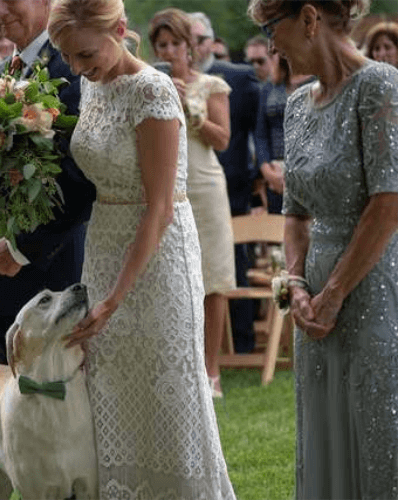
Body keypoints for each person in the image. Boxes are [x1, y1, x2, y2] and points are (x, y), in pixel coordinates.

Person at [49, 1, 236, 497]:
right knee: (109, 389)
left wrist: (114, 297)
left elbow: (159, 208)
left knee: (166, 394)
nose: (77, 68)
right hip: (103, 243)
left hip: (156, 255)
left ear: (120, 30)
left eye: (85, 53)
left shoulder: (151, 90)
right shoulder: (91, 84)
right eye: (68, 57)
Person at [248, 1, 398, 498]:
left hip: (374, 282)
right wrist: (296, 285)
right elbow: (293, 212)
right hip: (312, 294)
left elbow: (387, 203)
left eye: (273, 28)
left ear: (309, 18)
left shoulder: (379, 86)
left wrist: (334, 293)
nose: (270, 45)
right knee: (323, 422)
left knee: (375, 424)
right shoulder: (295, 105)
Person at [0, 0, 97, 364]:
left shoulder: (74, 66)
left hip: (55, 272)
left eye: (8, 0)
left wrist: (22, 249)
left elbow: (80, 177)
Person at [150, 8, 236, 399]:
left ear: (190, 46)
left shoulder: (211, 85)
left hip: (206, 187)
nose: (169, 51)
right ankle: (178, 368)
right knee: (172, 277)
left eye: (175, 44)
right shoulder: (150, 84)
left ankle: (211, 371)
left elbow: (222, 140)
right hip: (167, 188)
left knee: (213, 280)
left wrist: (191, 109)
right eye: (162, 45)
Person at [190, 11, 261, 355]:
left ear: (212, 42)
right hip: (185, 187)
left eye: (201, 39)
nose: (194, 46)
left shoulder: (238, 77)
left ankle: (244, 343)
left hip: (230, 184)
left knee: (232, 266)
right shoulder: (160, 76)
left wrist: (257, 171)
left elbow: (252, 130)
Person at [253, 53, 314, 214]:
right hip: (275, 174)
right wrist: (266, 169)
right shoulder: (271, 86)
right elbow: (260, 133)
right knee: (278, 232)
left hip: (309, 174)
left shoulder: (318, 83)